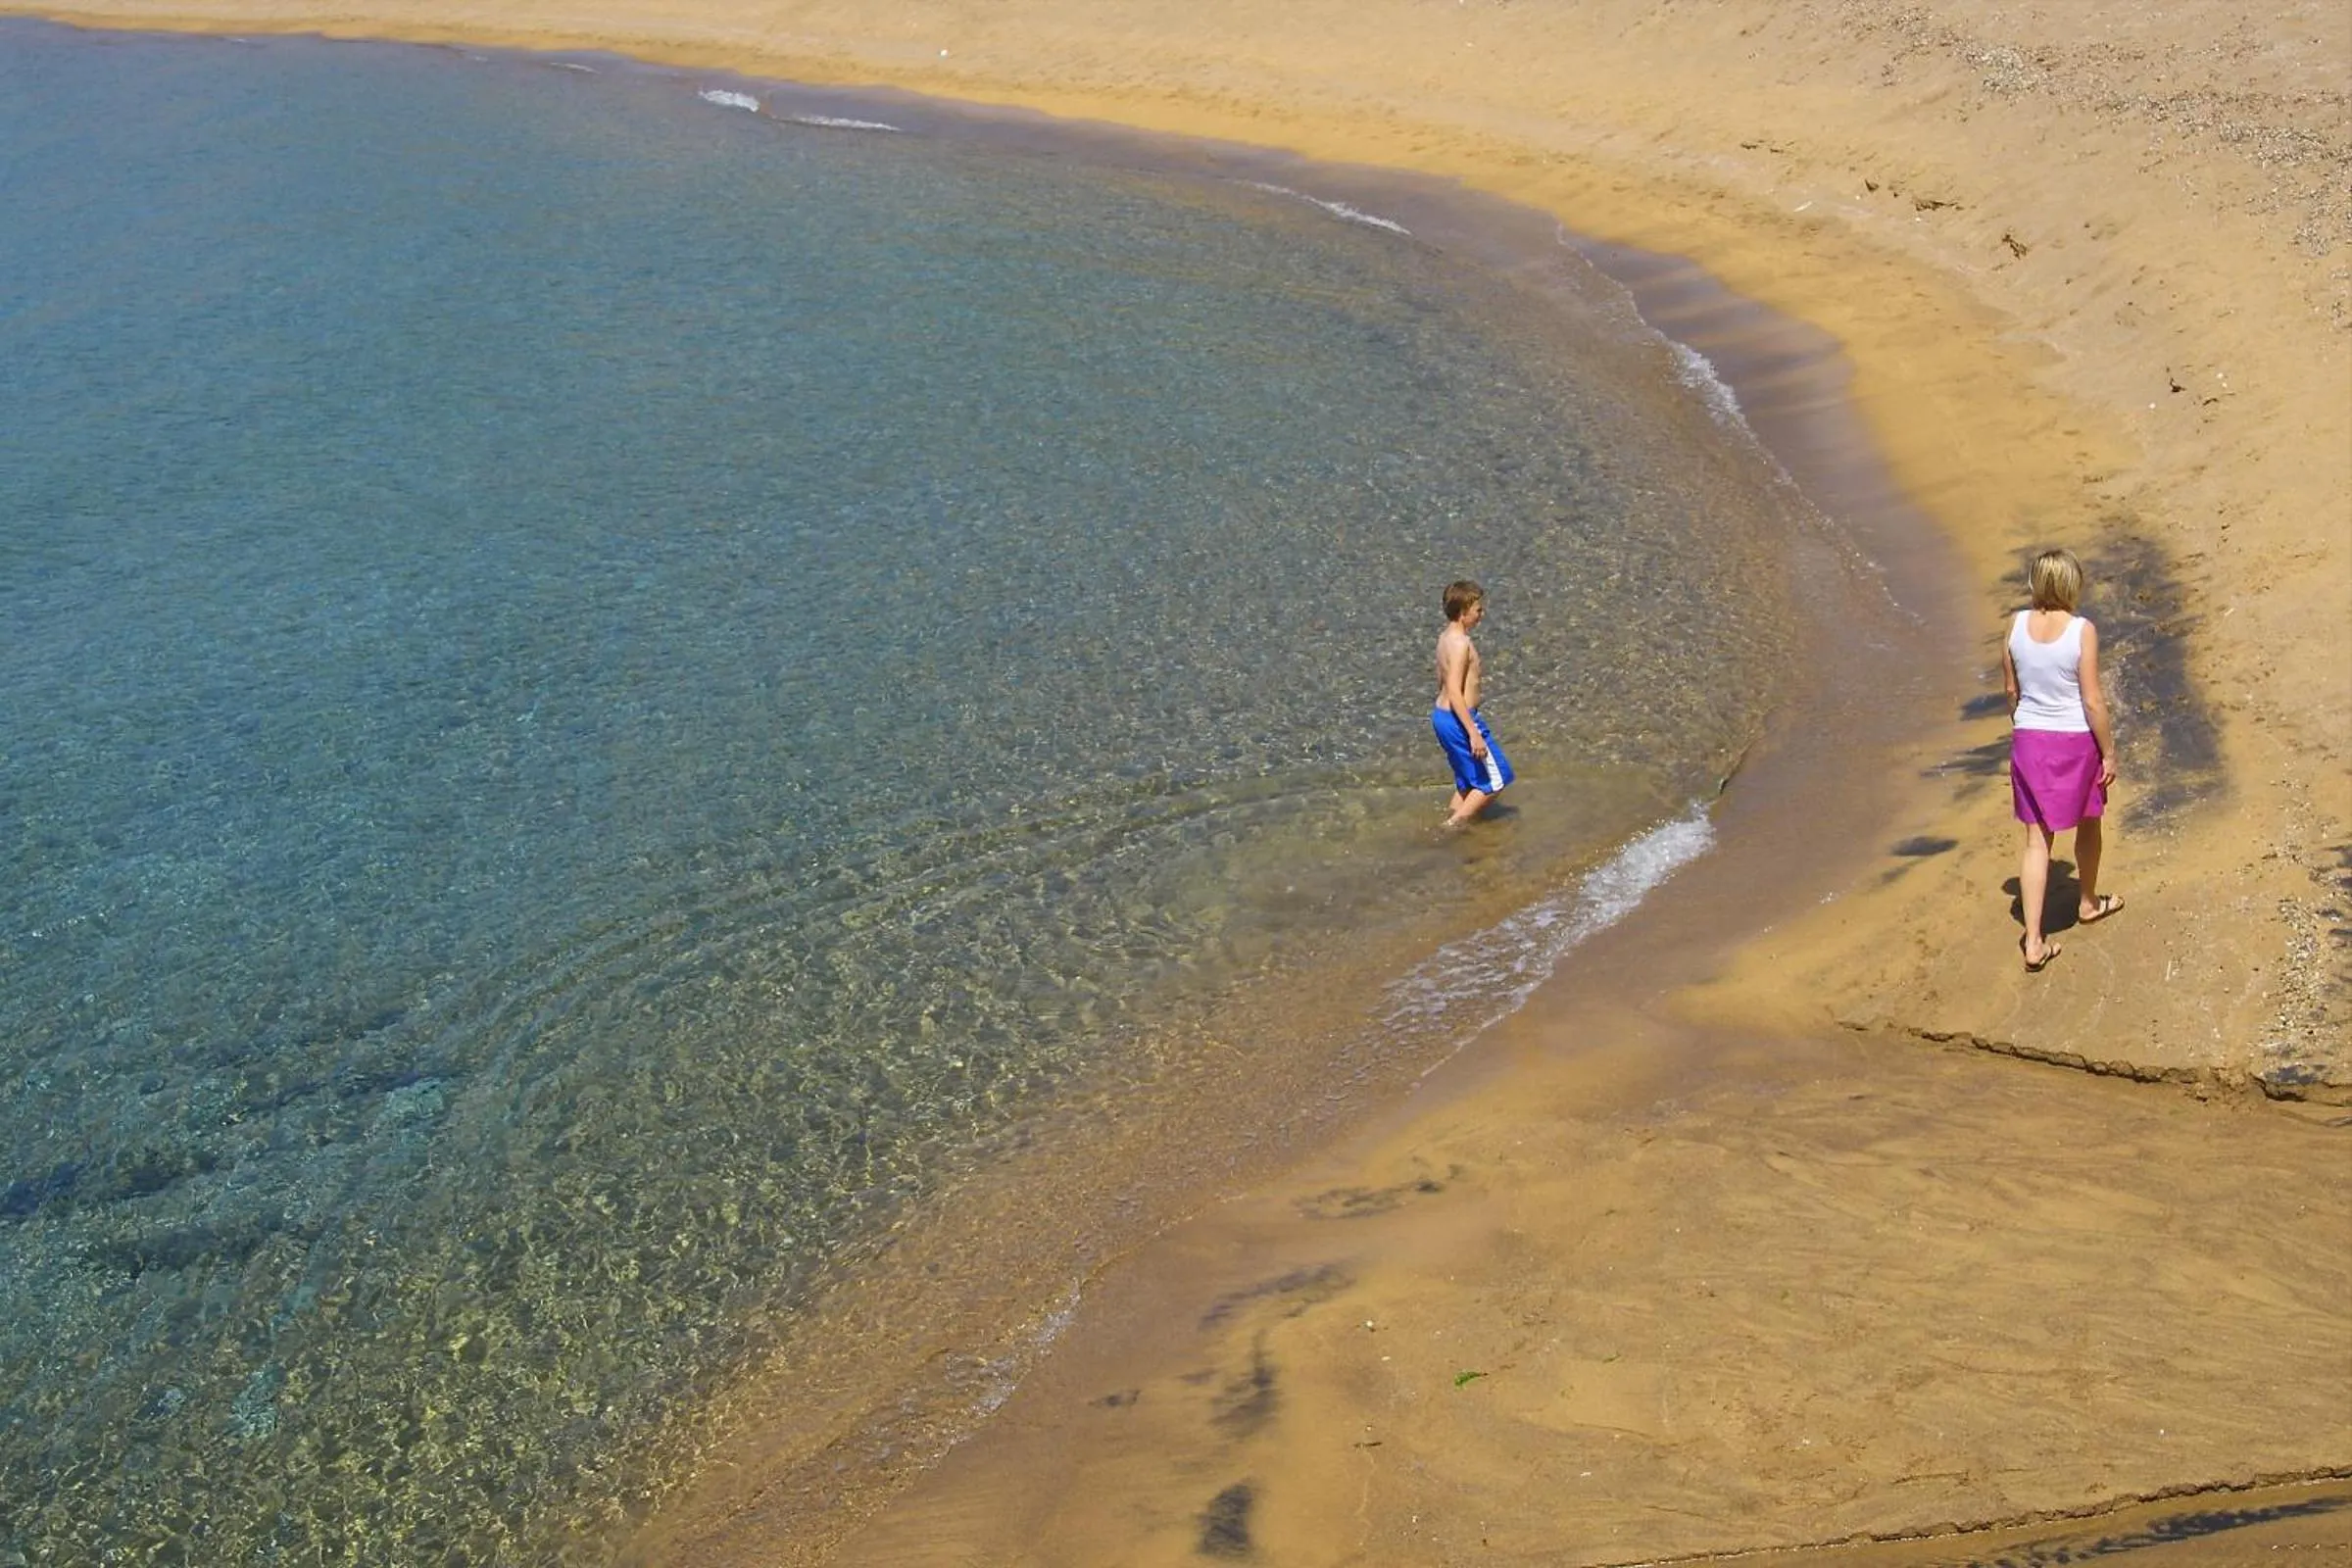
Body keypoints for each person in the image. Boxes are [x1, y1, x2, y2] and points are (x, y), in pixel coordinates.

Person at [2002, 548, 2123, 970]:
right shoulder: (2081, 630)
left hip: (2030, 739)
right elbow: (2092, 699)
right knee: (2089, 821)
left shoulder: (2015, 625)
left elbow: (2012, 692)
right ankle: (2087, 902)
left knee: (2038, 841)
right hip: (2074, 741)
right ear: (2072, 583)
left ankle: (2034, 941)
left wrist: (2025, 729)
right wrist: (2108, 752)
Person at [1433, 578, 1514, 826]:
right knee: (1497, 778)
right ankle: (1451, 828)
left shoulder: (1445, 638)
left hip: (1444, 717)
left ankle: (1457, 823)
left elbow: (1442, 683)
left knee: (1469, 781)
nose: (1481, 614)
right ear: (1462, 612)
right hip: (1459, 719)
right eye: (1477, 610)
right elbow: (1455, 691)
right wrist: (1473, 733)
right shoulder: (1460, 644)